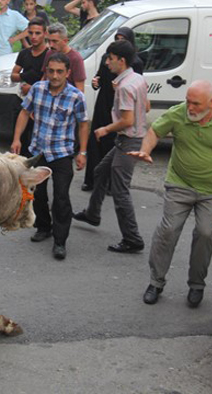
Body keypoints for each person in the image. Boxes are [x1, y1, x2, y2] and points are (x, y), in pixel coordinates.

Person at [128, 80, 212, 308]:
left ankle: (197, 285)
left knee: (205, 234)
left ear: (211, 103)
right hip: (179, 184)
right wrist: (146, 150)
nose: (190, 108)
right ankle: (156, 282)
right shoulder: (178, 114)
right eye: (188, 101)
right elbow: (155, 131)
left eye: (196, 103)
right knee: (168, 230)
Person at [10, 52, 89, 260]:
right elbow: (25, 113)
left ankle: (60, 241)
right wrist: (17, 138)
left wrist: (82, 152)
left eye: (60, 72)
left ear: (68, 73)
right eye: (51, 71)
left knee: (61, 197)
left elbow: (83, 124)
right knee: (38, 194)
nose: (55, 76)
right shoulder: (37, 89)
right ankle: (43, 227)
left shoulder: (76, 97)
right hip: (38, 152)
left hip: (62, 154)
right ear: (46, 71)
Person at [72, 40, 148, 253]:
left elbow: (127, 120)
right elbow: (147, 106)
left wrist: (105, 129)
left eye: (110, 59)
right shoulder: (136, 79)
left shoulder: (124, 86)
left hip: (128, 140)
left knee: (120, 191)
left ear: (121, 61)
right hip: (131, 138)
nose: (107, 63)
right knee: (100, 171)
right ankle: (92, 213)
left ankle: (132, 238)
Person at [82, 26, 143, 191]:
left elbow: (136, 90)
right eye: (117, 38)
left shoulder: (135, 64)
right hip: (104, 102)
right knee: (95, 142)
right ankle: (92, 180)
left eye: (123, 39)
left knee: (111, 143)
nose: (119, 42)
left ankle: (109, 184)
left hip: (120, 106)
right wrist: (96, 82)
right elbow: (100, 76)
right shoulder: (106, 58)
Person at [11, 17, 49, 156]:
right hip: (21, 100)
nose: (33, 37)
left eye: (37, 33)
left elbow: (51, 81)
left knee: (35, 146)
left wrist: (32, 87)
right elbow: (13, 75)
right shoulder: (24, 53)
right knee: (18, 141)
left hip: (39, 105)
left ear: (45, 33)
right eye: (31, 33)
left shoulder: (49, 55)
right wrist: (25, 77)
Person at [41, 22, 86, 92]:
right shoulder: (49, 53)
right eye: (49, 41)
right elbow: (44, 77)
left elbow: (80, 88)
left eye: (55, 41)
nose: (51, 45)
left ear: (65, 41)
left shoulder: (75, 58)